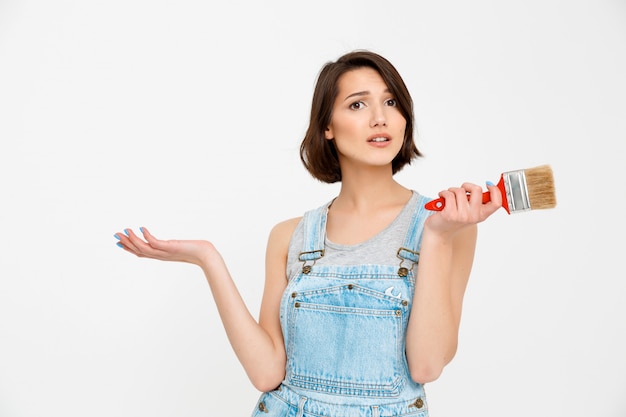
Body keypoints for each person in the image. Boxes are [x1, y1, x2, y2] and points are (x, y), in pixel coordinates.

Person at [114, 50, 502, 416]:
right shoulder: (291, 236)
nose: (380, 118)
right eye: (357, 104)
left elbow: (427, 365)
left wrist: (436, 238)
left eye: (391, 102)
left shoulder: (449, 228)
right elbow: (267, 374)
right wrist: (208, 259)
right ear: (328, 127)